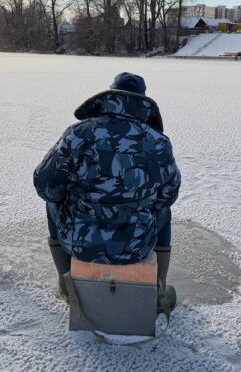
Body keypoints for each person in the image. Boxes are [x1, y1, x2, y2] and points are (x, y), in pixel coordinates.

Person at [34, 72, 181, 306]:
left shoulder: (77, 134)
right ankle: (158, 291)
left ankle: (67, 283)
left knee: (52, 202)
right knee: (164, 211)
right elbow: (169, 194)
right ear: (142, 102)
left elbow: (45, 185)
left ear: (110, 97)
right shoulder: (158, 141)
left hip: (81, 243)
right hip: (137, 246)